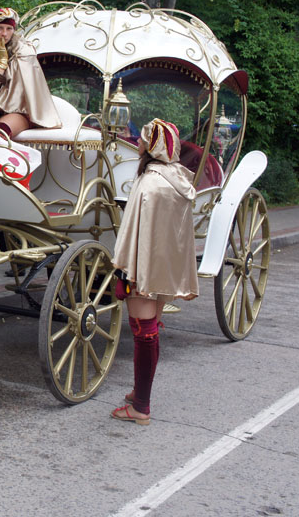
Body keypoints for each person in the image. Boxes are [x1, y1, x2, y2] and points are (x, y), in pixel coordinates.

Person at [110, 118, 199, 426]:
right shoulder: (178, 179)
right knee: (151, 329)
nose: (138, 144)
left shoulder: (148, 183)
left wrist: (124, 275)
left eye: (142, 140)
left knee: (142, 333)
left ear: (152, 146)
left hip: (142, 270)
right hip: (164, 270)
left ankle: (141, 407)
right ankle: (140, 392)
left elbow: (132, 233)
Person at [0, 7, 63, 140]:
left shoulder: (24, 52)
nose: (4, 34)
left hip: (20, 112)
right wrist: (2, 62)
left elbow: (16, 100)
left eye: (9, 29)